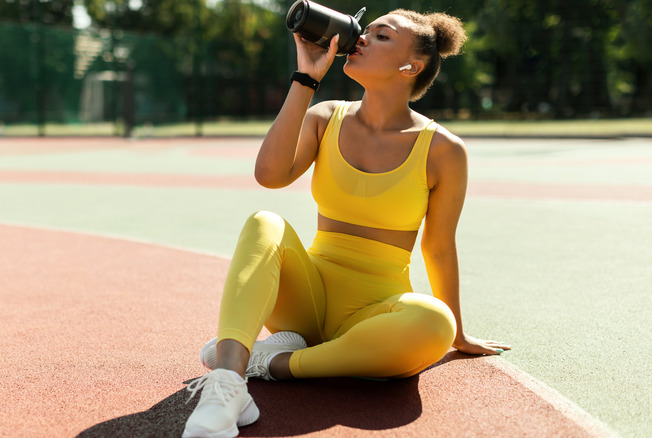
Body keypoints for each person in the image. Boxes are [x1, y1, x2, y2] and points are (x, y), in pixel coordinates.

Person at [181, 8, 510, 438]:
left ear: (411, 66)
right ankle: (226, 384)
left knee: (435, 321)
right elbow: (270, 176)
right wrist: (305, 78)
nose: (362, 38)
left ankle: (273, 363)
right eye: (365, 30)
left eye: (382, 36)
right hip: (305, 302)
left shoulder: (443, 149)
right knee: (265, 222)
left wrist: (459, 334)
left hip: (372, 315)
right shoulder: (326, 116)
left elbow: (439, 246)